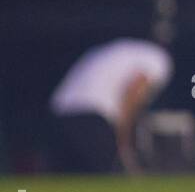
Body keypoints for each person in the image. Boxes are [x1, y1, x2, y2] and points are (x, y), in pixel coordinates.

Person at [49, 38, 173, 174]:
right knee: (108, 174)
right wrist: (124, 136)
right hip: (92, 114)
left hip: (59, 114)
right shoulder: (158, 60)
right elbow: (132, 94)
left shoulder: (116, 51)